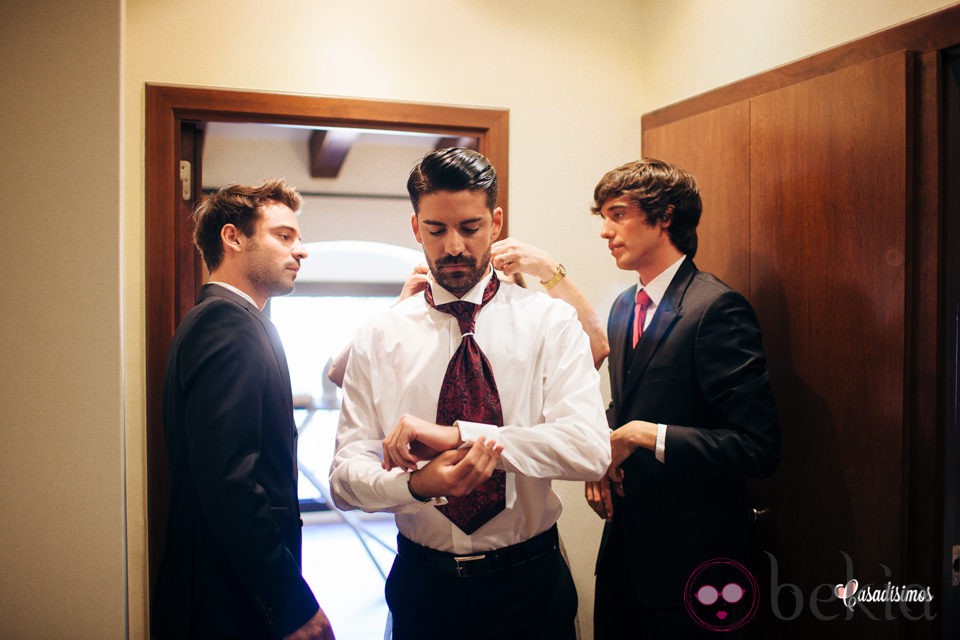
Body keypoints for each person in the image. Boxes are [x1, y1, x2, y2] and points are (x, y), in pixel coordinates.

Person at [329, 148, 610, 640]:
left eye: (471, 227)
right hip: (424, 586)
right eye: (436, 230)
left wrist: (458, 435)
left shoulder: (550, 323)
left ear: (496, 222)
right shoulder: (378, 335)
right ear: (416, 228)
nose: (454, 246)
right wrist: (414, 486)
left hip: (530, 584)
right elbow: (344, 478)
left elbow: (589, 450)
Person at [585, 159, 780, 639]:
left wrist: (643, 435)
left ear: (666, 215)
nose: (606, 232)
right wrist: (600, 457)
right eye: (603, 218)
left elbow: (757, 447)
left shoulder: (716, 308)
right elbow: (627, 405)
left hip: (696, 561)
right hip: (625, 555)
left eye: (618, 214)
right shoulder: (624, 305)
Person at [152, 179, 335, 640]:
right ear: (233, 238)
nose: (302, 250)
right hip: (227, 595)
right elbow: (230, 481)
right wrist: (291, 603)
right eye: (284, 235)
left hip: (230, 585)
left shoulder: (237, 320)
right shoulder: (224, 323)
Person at [325, 240, 609, 387]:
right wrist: (400, 307)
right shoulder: (411, 334)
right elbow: (340, 374)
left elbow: (596, 348)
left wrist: (550, 269)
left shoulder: (538, 332)